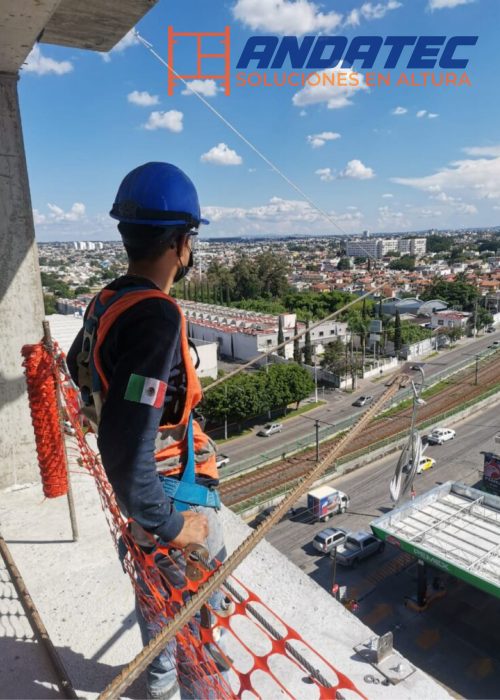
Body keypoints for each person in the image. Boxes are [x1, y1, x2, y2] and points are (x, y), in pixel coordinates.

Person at [67, 162, 227, 700]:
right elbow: (128, 440)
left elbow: (77, 364)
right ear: (183, 243)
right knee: (196, 640)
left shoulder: (106, 300)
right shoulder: (156, 317)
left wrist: (111, 408)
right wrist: (172, 524)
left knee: (158, 623)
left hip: (145, 497)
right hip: (169, 493)